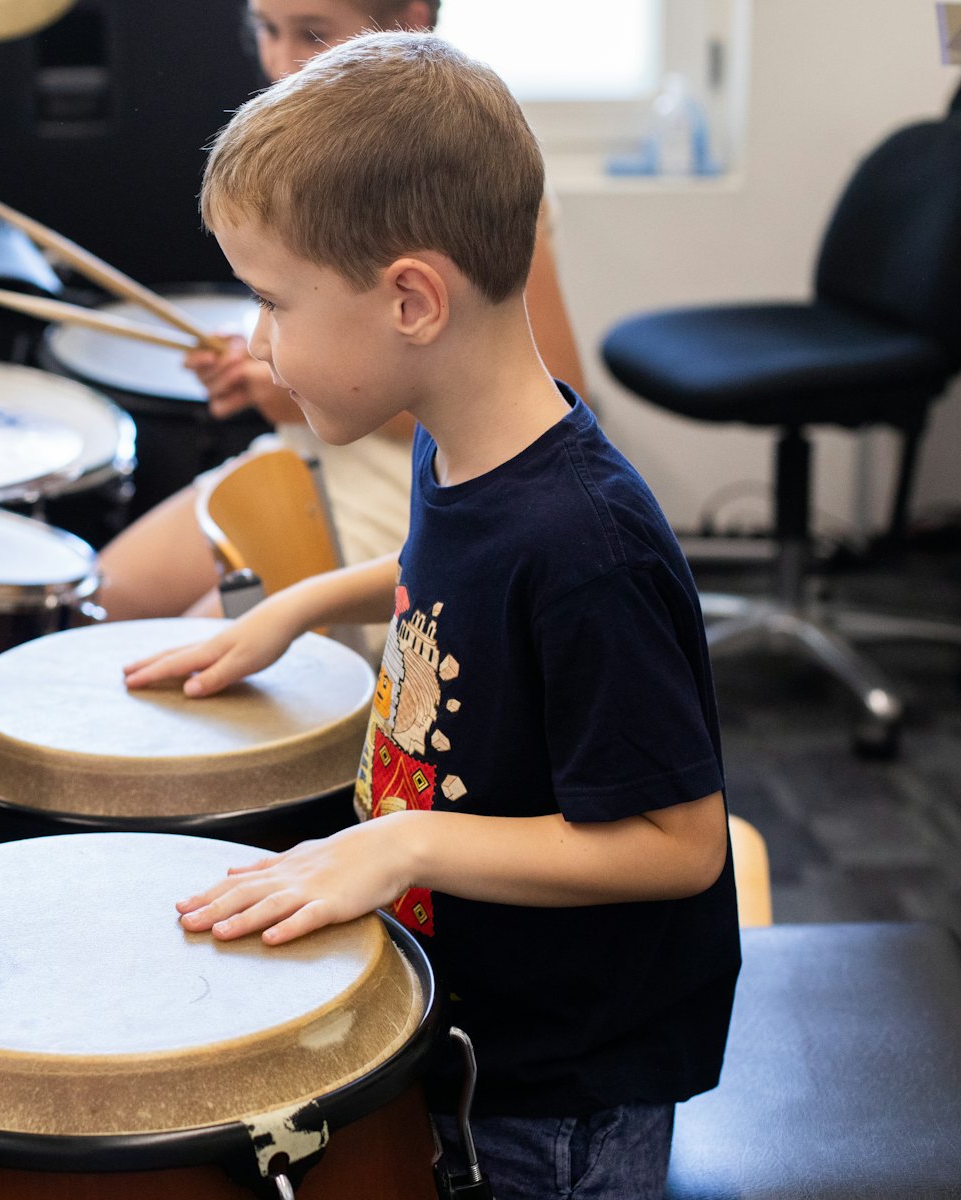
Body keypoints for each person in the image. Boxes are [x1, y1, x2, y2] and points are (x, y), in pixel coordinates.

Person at [123, 34, 737, 1200]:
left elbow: (680, 844)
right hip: (475, 1018)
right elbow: (447, 574)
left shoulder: (588, 548)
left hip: (564, 1093)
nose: (256, 342)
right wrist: (296, 608)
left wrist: (401, 843)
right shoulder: (460, 442)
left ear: (411, 299)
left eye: (272, 302)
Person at [94, 0, 587, 627]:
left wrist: (286, 391)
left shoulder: (468, 179)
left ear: (409, 22)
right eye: (266, 31)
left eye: (313, 33)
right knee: (98, 600)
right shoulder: (309, 160)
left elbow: (549, 395)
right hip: (307, 464)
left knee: (177, 679)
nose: (279, 62)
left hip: (384, 493)